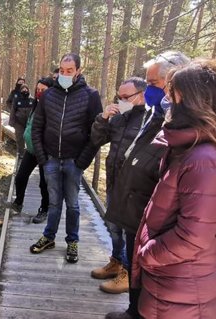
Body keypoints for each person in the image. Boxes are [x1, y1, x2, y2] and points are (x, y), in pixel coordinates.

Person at [132, 59, 216, 318]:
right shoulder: (194, 150)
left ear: (195, 101)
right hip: (174, 285)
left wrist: (149, 254)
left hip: (182, 291)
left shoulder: (204, 159)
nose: (167, 100)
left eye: (173, 94)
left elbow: (194, 236)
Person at [103, 51, 190, 319]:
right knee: (136, 268)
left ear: (175, 82)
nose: (149, 89)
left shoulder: (185, 123)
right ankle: (133, 311)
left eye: (153, 83)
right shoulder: (158, 115)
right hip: (134, 206)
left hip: (155, 218)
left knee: (148, 274)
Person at [29, 53, 102, 263]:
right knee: (53, 203)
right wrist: (43, 158)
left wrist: (82, 161)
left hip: (74, 161)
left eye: (69, 71)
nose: (65, 74)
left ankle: (72, 242)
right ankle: (49, 237)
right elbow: (37, 127)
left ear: (78, 71)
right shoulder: (49, 95)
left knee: (72, 205)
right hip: (51, 159)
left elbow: (96, 133)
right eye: (62, 70)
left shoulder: (90, 95)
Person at [88, 77, 147, 295]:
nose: (122, 101)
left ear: (141, 94)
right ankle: (115, 262)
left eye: (126, 97)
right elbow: (96, 140)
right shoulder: (119, 118)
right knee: (113, 227)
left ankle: (128, 274)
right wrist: (103, 118)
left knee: (131, 233)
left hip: (135, 188)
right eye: (119, 97)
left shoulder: (150, 119)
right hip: (113, 181)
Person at [8, 77, 56, 224]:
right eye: (38, 90)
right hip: (31, 150)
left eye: (43, 90)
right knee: (20, 177)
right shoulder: (36, 104)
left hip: (45, 151)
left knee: (44, 183)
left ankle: (44, 209)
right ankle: (18, 202)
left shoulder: (53, 107)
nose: (39, 92)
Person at [9, 83, 35, 157]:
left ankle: (31, 153)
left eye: (26, 89)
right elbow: (13, 111)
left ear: (28, 90)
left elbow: (35, 111)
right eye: (23, 89)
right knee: (20, 138)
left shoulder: (32, 100)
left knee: (29, 138)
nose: (25, 90)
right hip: (18, 123)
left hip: (29, 123)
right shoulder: (16, 100)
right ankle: (21, 154)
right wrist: (12, 122)